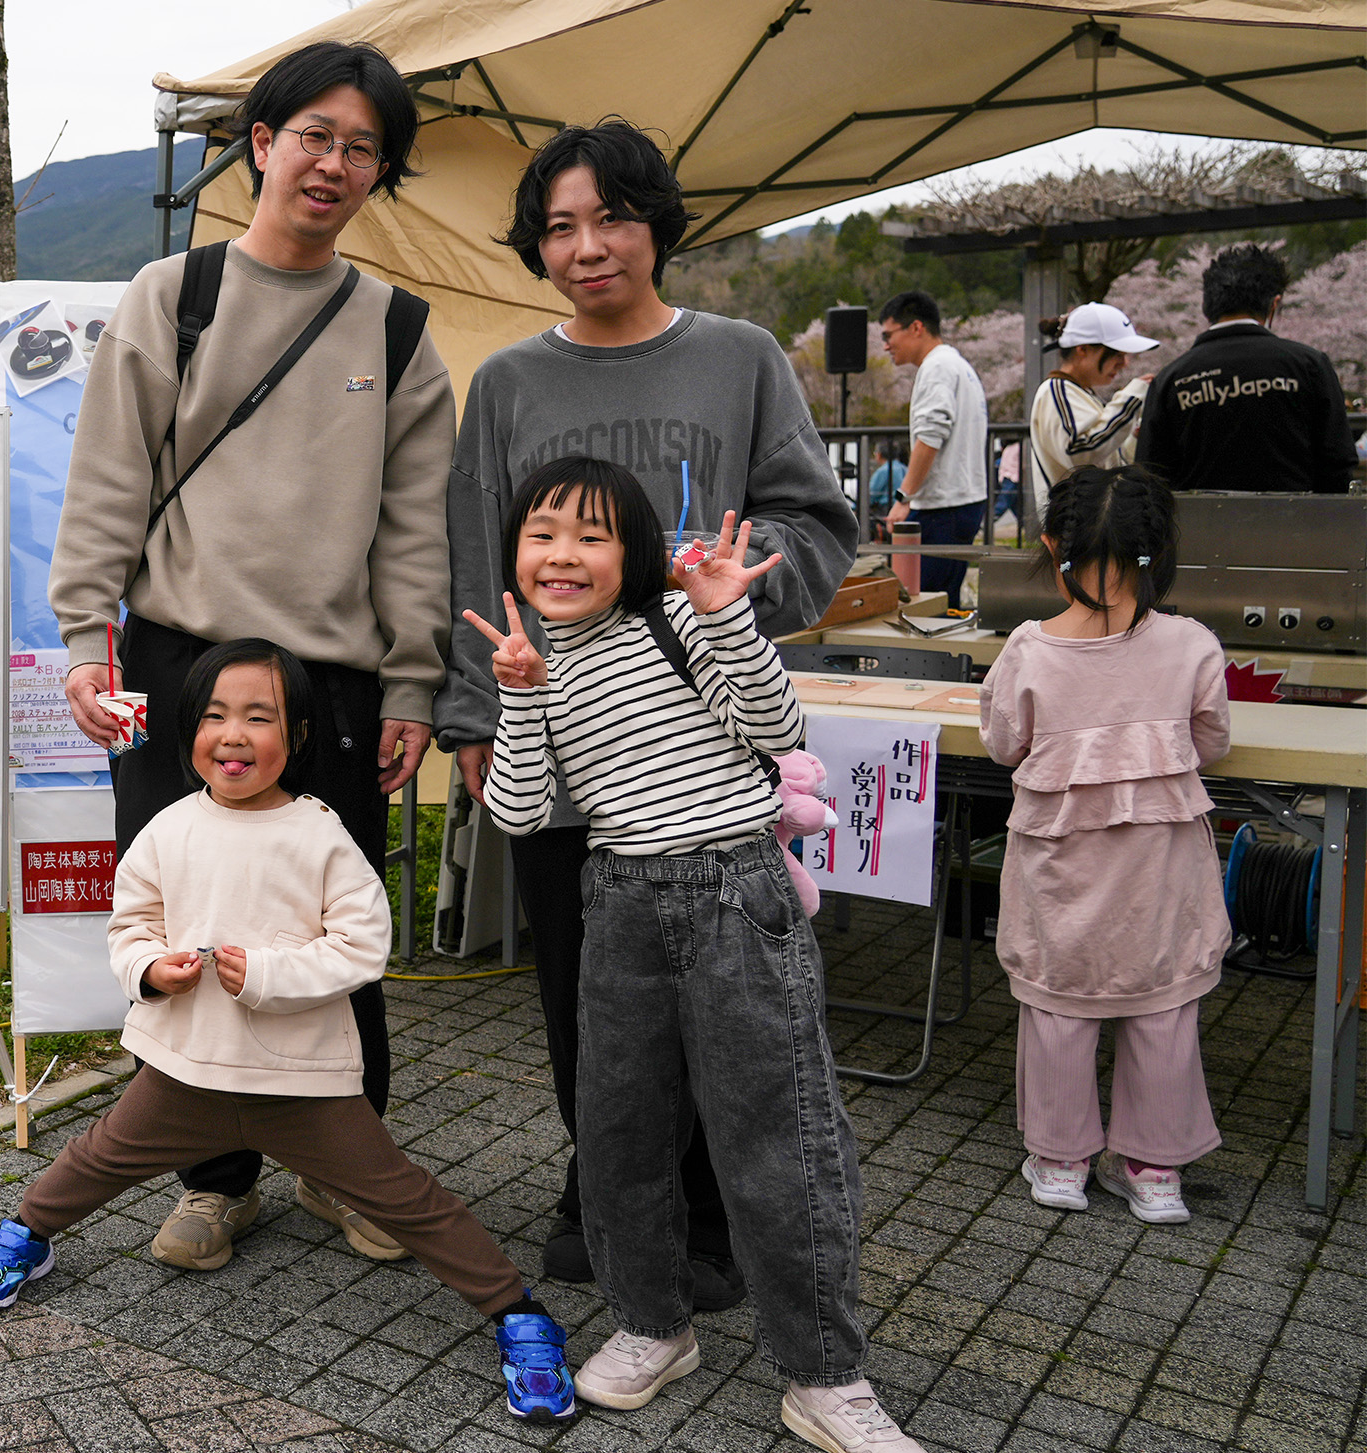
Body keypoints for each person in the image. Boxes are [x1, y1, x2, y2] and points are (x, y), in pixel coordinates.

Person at [49, 41, 454, 1272]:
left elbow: (413, 527)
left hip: (328, 683)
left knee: (336, 933)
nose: (333, 163)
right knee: (180, 923)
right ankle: (213, 1179)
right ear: (260, 142)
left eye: (362, 146)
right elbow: (107, 482)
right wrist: (82, 641)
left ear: (379, 172)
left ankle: (351, 1171)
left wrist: (412, 684)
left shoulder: (395, 329)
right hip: (176, 670)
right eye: (313, 135)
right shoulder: (174, 296)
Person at [435, 119, 854, 1304]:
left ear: (657, 224)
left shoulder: (740, 357)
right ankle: (607, 1196)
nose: (588, 246)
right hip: (560, 750)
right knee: (585, 999)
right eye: (558, 227)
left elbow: (816, 528)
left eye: (611, 217)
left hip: (706, 754)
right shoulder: (510, 383)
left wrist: (711, 572)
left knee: (726, 1004)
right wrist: (474, 716)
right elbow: (479, 561)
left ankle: (714, 1213)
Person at [467, 457, 946, 1453]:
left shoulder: (675, 625)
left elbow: (777, 732)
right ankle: (651, 1324)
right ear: (514, 552)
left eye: (590, 534)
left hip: (734, 894)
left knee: (779, 1137)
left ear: (632, 551)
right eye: (541, 532)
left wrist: (726, 617)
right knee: (619, 1132)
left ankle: (825, 1378)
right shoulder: (538, 663)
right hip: (618, 905)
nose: (562, 553)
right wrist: (514, 698)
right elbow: (515, 815)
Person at [0, 640, 579, 1426]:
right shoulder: (165, 829)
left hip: (303, 1082)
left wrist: (267, 979)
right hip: (185, 1070)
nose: (235, 735)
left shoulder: (319, 833)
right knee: (96, 1158)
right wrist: (150, 969)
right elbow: (130, 925)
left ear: (300, 737)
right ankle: (27, 1233)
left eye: (260, 716)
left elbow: (362, 947)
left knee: (407, 1199)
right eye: (214, 716)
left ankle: (515, 1311)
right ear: (188, 733)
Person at [980, 465, 1230, 1226]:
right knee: (1162, 1006)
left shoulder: (1028, 650)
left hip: (1062, 866)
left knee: (1060, 1001)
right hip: (1159, 872)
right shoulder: (1191, 645)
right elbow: (1212, 741)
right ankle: (1155, 1174)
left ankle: (1059, 1162)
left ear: (1053, 546)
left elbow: (1002, 742)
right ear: (1160, 551)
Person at [1136, 243, 1356, 494]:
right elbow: (1338, 460)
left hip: (1199, 528)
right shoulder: (1309, 365)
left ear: (1207, 306)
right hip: (1298, 525)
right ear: (1274, 304)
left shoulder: (1172, 379)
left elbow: (1151, 474)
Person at [880, 291, 988, 606]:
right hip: (963, 502)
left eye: (889, 335)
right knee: (945, 602)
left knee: (925, 606)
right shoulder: (956, 363)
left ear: (916, 327)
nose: (886, 345)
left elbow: (930, 437)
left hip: (943, 507)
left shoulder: (937, 367)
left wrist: (904, 497)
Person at [1027, 303, 1157, 525]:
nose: (1124, 363)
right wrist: (1131, 398)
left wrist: (1133, 436)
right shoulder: (1056, 391)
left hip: (1090, 525)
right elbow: (1082, 452)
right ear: (1083, 349)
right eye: (1116, 353)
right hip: (1075, 528)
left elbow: (1107, 458)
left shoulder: (1077, 392)